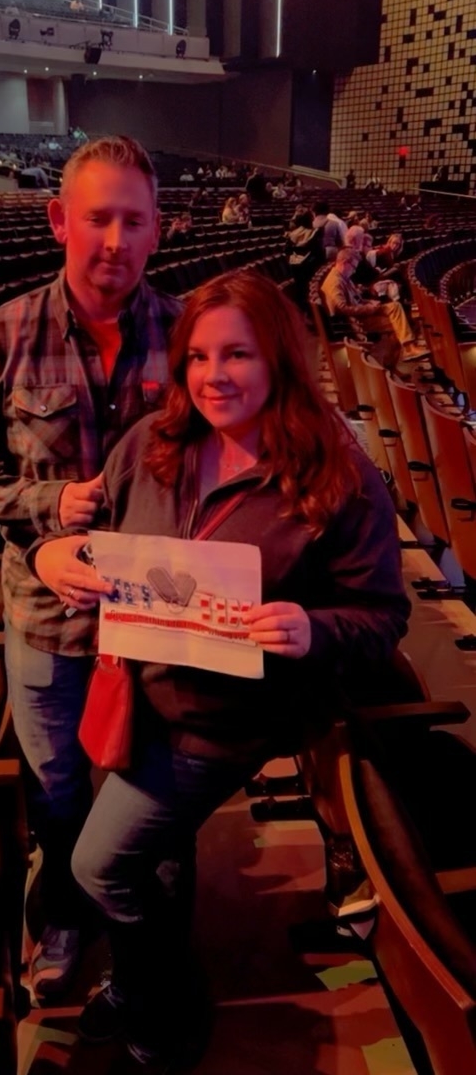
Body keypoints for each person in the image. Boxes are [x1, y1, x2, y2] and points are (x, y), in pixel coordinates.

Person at [32, 270, 411, 1071]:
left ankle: (159, 999)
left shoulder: (338, 477)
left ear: (278, 358)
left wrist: (312, 628)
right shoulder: (152, 442)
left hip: (226, 722)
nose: (213, 376)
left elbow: (381, 617)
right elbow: (86, 534)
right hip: (133, 695)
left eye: (236, 354)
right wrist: (51, 553)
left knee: (101, 867)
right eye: (197, 357)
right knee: (156, 862)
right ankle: (143, 986)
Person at [0, 136, 182, 1003]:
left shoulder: (190, 336)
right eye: (97, 217)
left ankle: (150, 939)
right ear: (57, 221)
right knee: (59, 787)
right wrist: (43, 514)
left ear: (157, 231)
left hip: (162, 617)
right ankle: (67, 916)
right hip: (46, 616)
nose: (114, 240)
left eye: (133, 221)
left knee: (154, 786)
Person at [321, 247, 421, 362]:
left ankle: (405, 351)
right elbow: (343, 308)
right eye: (353, 267)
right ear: (345, 263)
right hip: (357, 322)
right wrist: (369, 308)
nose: (354, 271)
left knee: (395, 307)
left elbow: (355, 299)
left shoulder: (342, 276)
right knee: (402, 323)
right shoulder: (334, 282)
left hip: (363, 312)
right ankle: (404, 352)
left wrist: (369, 302)